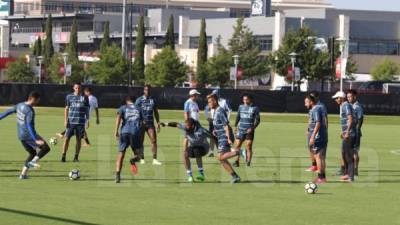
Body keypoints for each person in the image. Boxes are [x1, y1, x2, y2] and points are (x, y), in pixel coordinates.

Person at [0, 92, 51, 179]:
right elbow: (29, 125)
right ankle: (33, 162)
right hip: (28, 135)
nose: (38, 102)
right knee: (46, 148)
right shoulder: (30, 110)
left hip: (21, 135)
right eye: (38, 100)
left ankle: (23, 175)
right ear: (33, 99)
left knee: (32, 153)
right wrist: (35, 139)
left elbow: (7, 112)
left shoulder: (20, 105)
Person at [207, 94, 243, 184]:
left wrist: (228, 138)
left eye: (210, 102)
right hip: (220, 136)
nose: (209, 104)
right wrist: (215, 130)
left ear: (215, 101)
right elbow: (219, 123)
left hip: (224, 136)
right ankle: (235, 176)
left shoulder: (220, 110)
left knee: (221, 157)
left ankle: (240, 152)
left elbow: (226, 125)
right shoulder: (214, 111)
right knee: (221, 158)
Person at [114, 96, 143, 183]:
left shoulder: (123, 107)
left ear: (126, 101)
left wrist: (116, 131)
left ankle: (117, 176)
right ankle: (133, 160)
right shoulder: (139, 108)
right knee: (140, 155)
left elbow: (118, 119)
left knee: (121, 154)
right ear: (134, 101)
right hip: (135, 133)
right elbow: (143, 122)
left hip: (124, 132)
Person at [61, 83, 89, 163]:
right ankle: (63, 156)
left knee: (78, 140)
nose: (78, 89)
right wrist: (65, 120)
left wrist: (87, 121)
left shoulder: (85, 98)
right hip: (71, 122)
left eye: (79, 88)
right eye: (76, 88)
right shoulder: (69, 97)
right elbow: (66, 109)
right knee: (66, 139)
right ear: (73, 88)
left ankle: (76, 157)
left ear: (81, 88)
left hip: (80, 122)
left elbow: (87, 110)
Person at [135, 85, 162, 165]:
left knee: (154, 141)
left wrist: (158, 123)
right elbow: (135, 112)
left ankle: (154, 159)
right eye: (146, 90)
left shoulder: (153, 100)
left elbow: (156, 112)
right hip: (141, 124)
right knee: (141, 142)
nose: (148, 91)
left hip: (150, 124)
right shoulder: (139, 100)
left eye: (149, 90)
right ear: (144, 90)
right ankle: (142, 158)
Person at [333, 91, 356, 182]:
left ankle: (351, 176)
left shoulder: (345, 105)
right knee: (343, 153)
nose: (335, 100)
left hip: (350, 134)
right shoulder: (344, 106)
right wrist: (343, 132)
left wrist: (346, 132)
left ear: (340, 98)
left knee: (348, 155)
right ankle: (347, 174)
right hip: (347, 133)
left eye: (336, 98)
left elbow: (350, 119)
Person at [305, 94, 328, 184]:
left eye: (306, 102)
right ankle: (322, 177)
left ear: (311, 102)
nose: (305, 104)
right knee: (320, 157)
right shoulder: (318, 108)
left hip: (318, 136)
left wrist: (313, 136)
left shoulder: (315, 109)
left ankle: (321, 178)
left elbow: (318, 123)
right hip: (321, 136)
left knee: (318, 157)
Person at [233, 93, 260, 167]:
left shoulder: (255, 108)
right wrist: (235, 126)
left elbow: (258, 120)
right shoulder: (240, 107)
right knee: (237, 145)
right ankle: (236, 161)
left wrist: (252, 128)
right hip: (240, 129)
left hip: (249, 130)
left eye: (246, 99)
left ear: (250, 99)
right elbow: (238, 117)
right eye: (244, 99)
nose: (245, 101)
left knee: (248, 146)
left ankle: (248, 162)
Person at [204, 89, 232, 157]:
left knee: (223, 145)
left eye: (215, 94)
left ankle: (237, 151)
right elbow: (206, 109)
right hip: (214, 122)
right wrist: (208, 118)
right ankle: (211, 151)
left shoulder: (223, 101)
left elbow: (229, 110)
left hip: (222, 123)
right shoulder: (211, 101)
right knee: (212, 136)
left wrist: (226, 119)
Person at [347, 89, 364, 176]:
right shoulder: (350, 106)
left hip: (355, 133)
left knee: (354, 151)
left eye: (350, 96)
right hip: (350, 132)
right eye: (348, 97)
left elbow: (360, 119)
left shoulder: (357, 106)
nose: (349, 98)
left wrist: (357, 130)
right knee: (350, 151)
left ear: (355, 96)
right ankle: (350, 168)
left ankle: (355, 169)